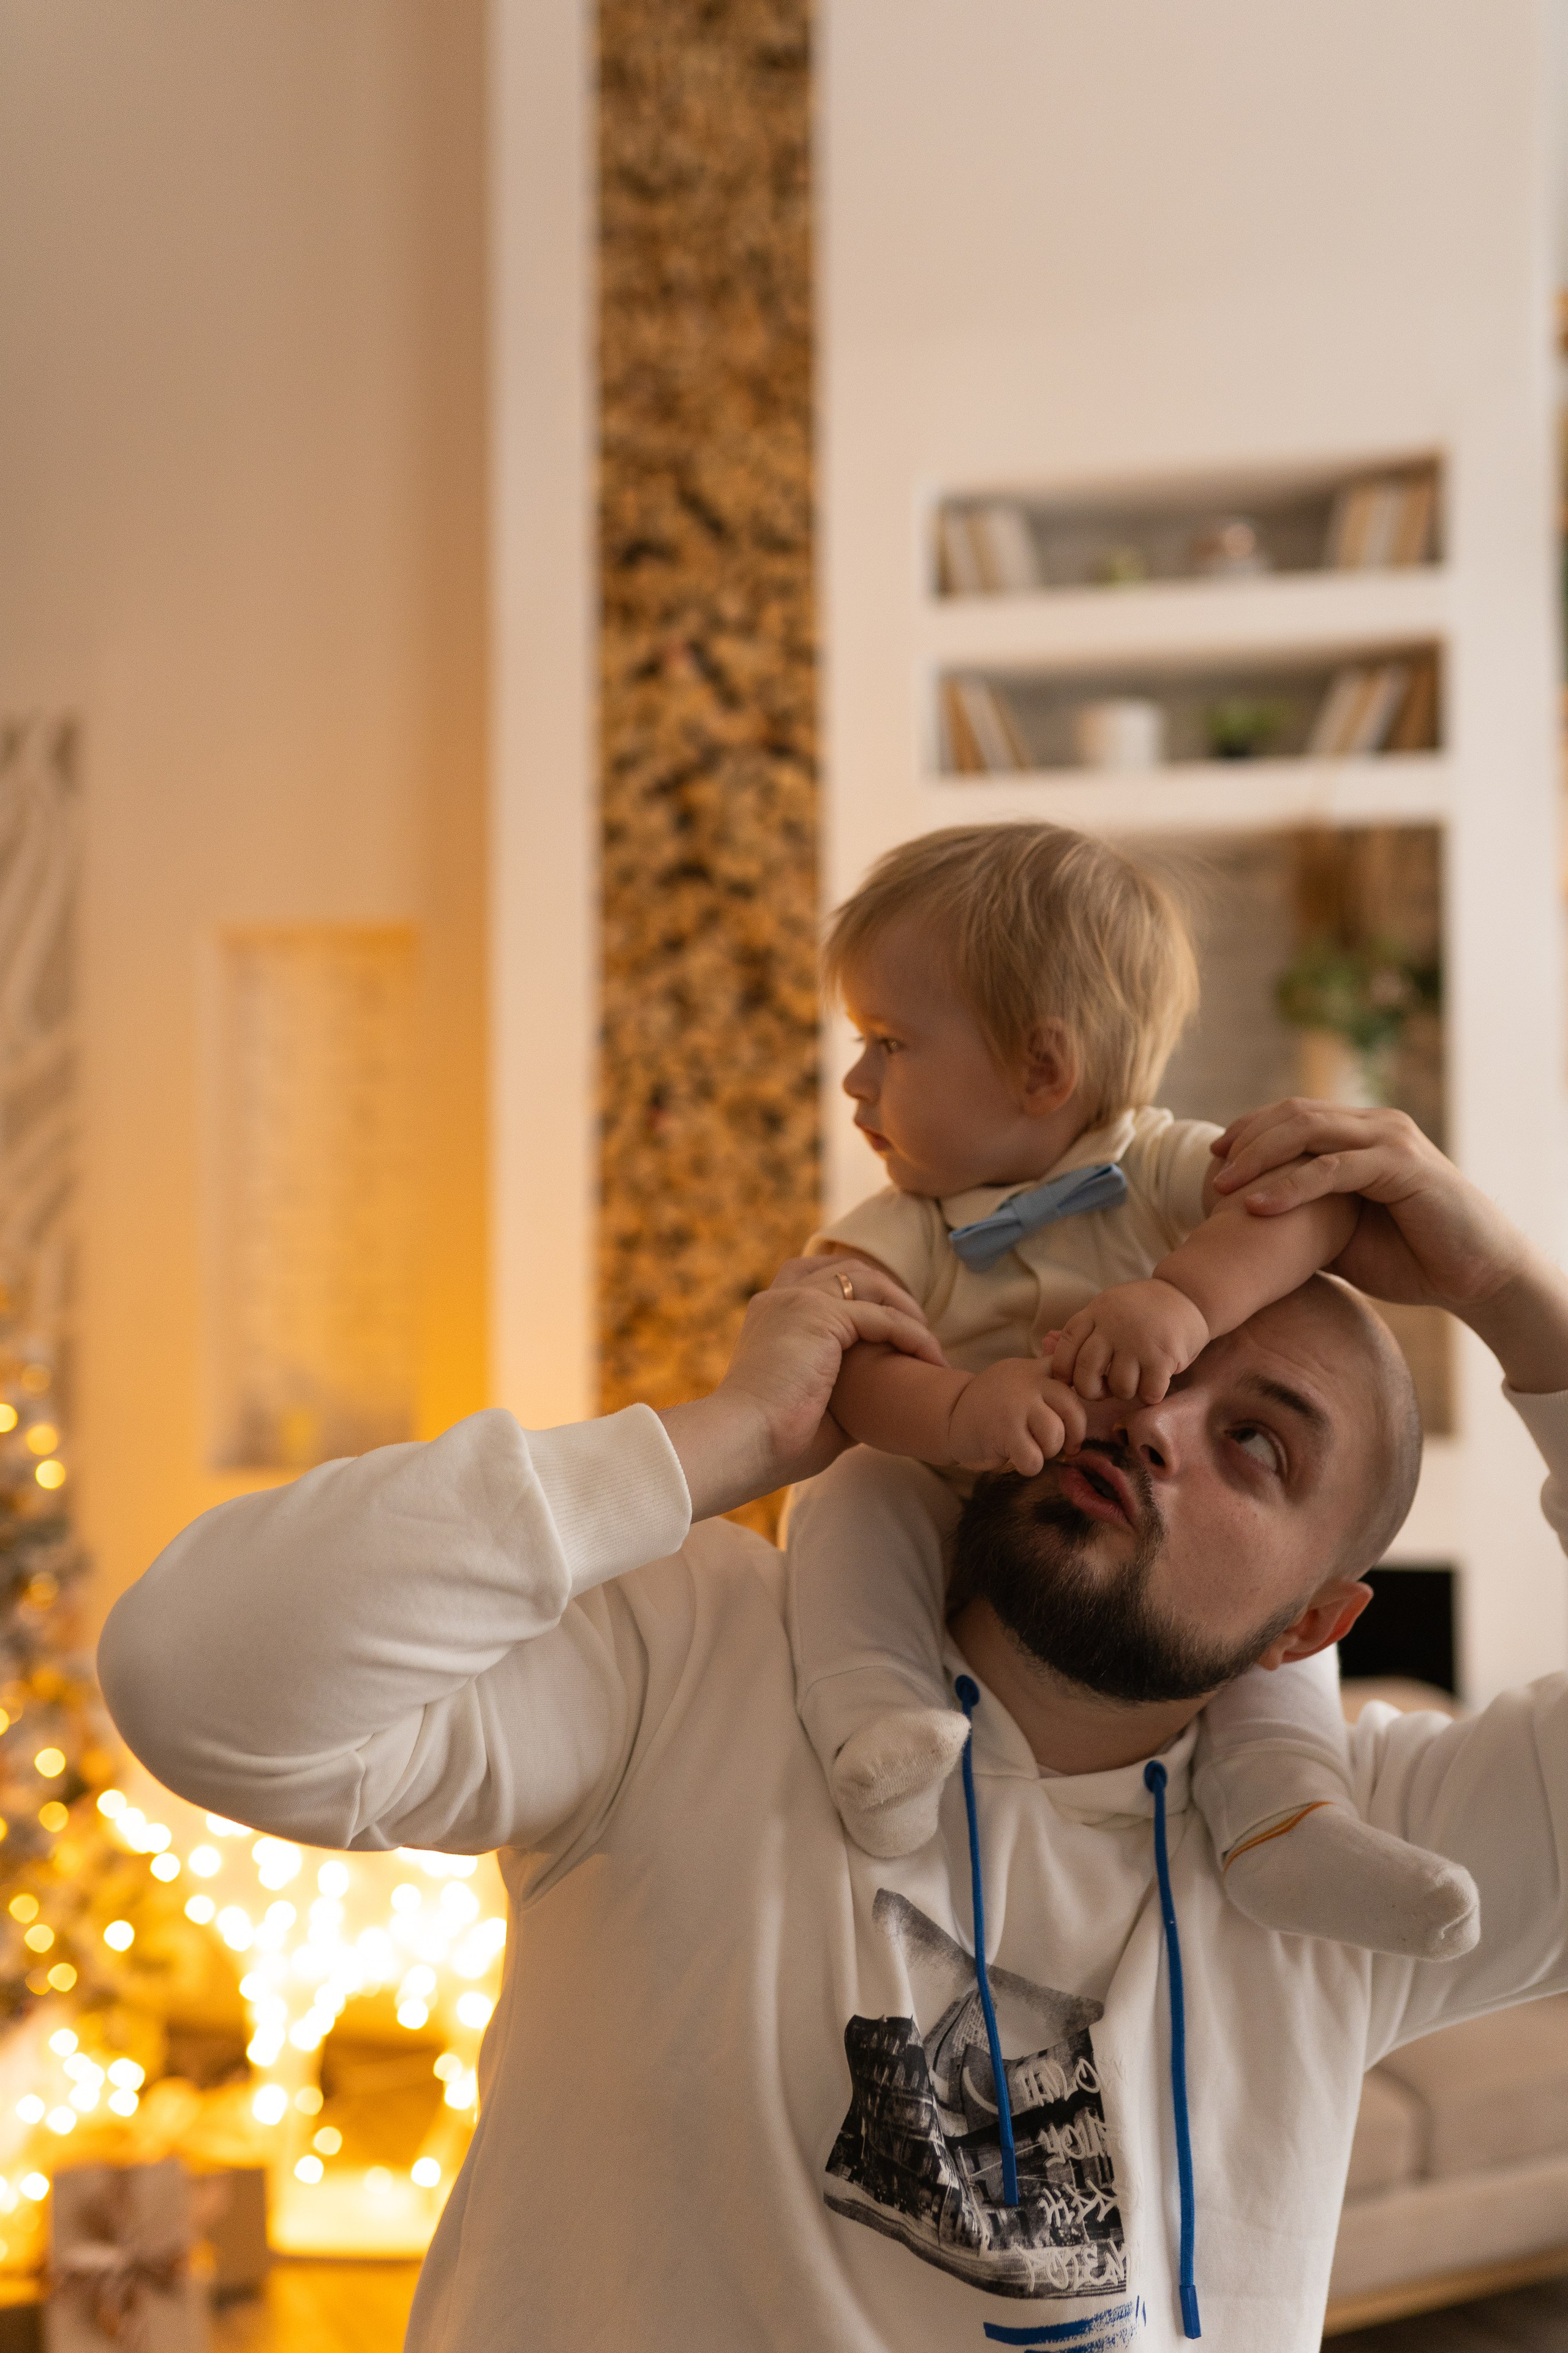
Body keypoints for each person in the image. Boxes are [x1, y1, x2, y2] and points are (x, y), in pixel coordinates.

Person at [98, 1105, 1568, 2351]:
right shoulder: (686, 1655)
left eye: (1254, 1440)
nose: (1151, 1421)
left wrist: (1513, 1296)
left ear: (1312, 1624)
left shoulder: (1349, 1859)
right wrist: (723, 1437)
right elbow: (198, 1673)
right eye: (1143, 1357)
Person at [789, 822, 1471, 1965]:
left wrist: (1188, 1303)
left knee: (1271, 1612)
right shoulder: (899, 1225)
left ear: (1042, 1069)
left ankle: (1292, 1820)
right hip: (961, 1496)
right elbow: (848, 1367)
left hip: (1129, 1522)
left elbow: (1317, 1202)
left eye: (889, 1042)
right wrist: (955, 1412)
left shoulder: (1153, 1162)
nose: (857, 1082)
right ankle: (877, 1724)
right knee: (853, 1499)